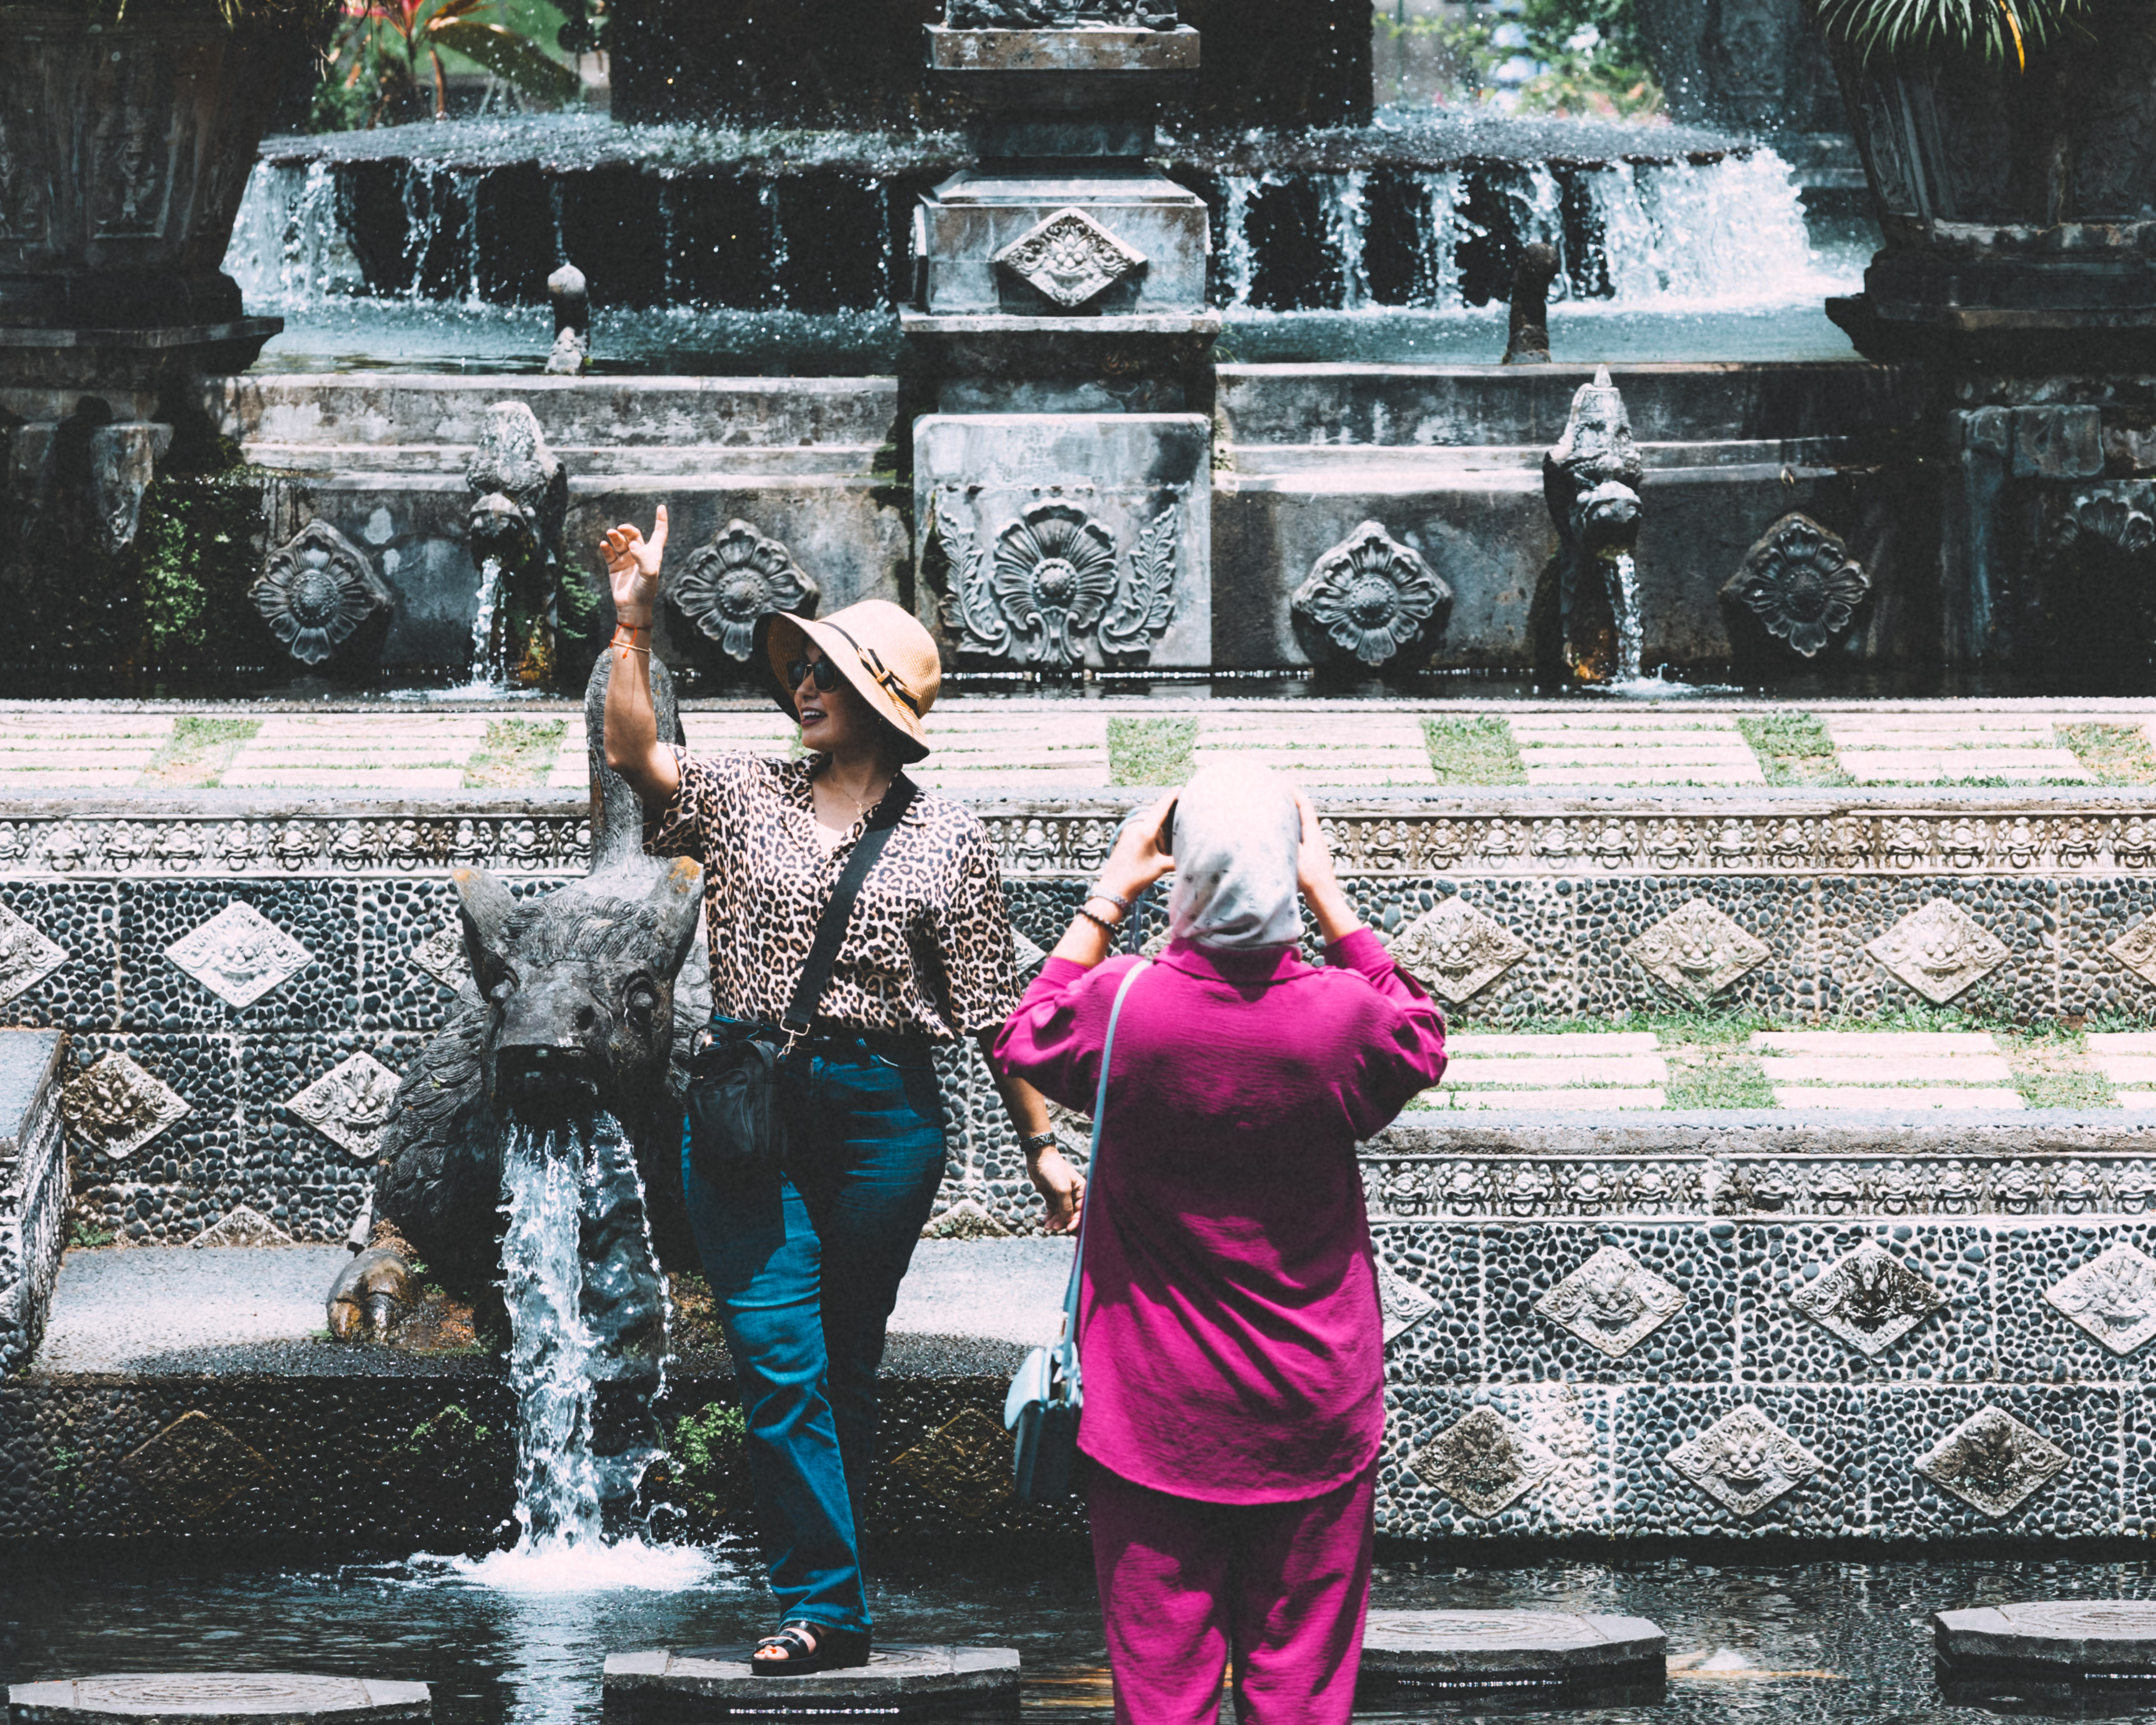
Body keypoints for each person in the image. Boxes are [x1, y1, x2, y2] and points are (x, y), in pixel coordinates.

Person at [599, 505, 1077, 1674]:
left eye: (828, 670)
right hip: (747, 1099)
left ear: (881, 701)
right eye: (802, 666)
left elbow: (988, 1011)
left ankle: (836, 1593)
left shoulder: (949, 839)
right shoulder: (742, 790)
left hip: (881, 1117)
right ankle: (823, 1606)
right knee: (780, 1360)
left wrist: (1042, 1146)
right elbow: (635, 756)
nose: (804, 682)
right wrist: (633, 621)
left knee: (846, 1361)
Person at [992, 763, 1447, 1725]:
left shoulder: (1122, 1007)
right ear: (1288, 870)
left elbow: (1024, 1035)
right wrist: (1330, 895)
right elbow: (1421, 1037)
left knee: (1164, 1696)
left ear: (1181, 868)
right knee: (1301, 1692)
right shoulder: (1341, 1019)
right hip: (1314, 1404)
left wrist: (1112, 888)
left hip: (1149, 1412)